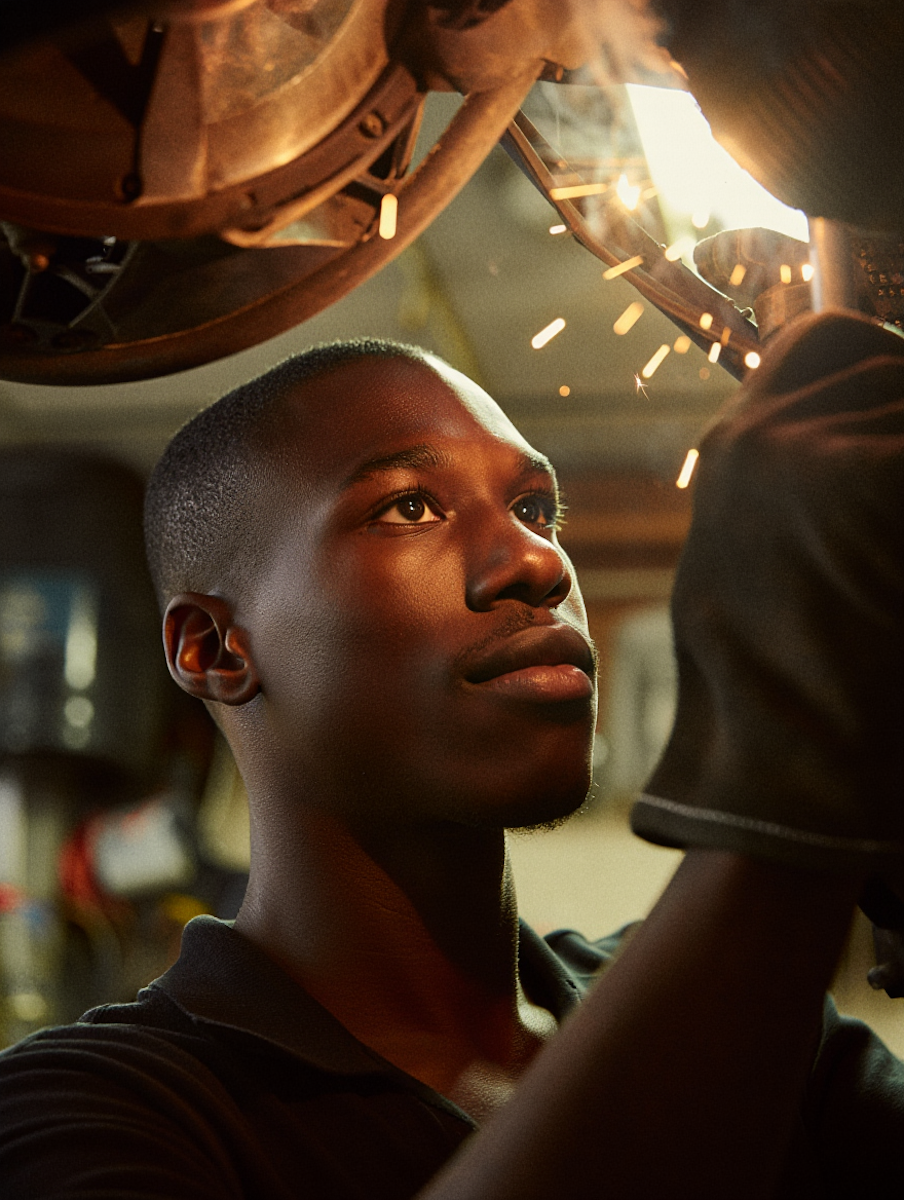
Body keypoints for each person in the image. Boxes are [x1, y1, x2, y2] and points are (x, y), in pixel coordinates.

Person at [0, 332, 901, 1198]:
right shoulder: (90, 1112)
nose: (539, 560)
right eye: (410, 507)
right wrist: (785, 798)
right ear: (214, 648)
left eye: (535, 508)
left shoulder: (772, 1043)